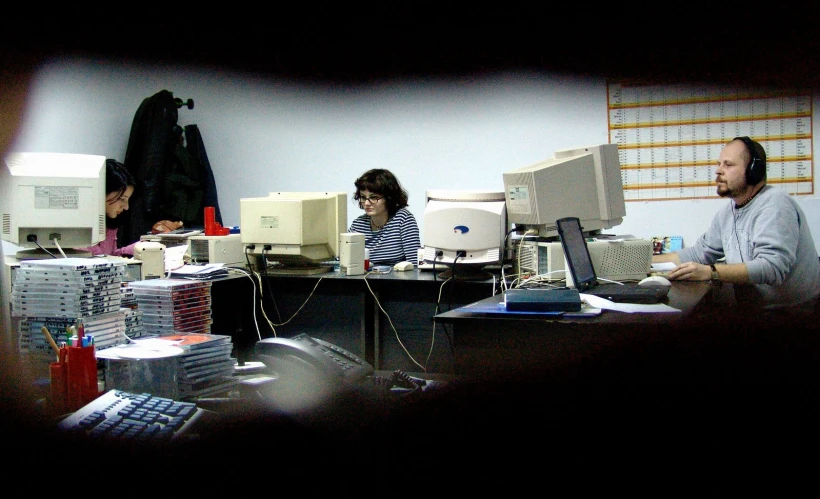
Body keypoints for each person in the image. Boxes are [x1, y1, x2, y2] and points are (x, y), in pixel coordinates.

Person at [653, 136, 820, 315]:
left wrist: (711, 272)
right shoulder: (728, 213)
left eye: (728, 165)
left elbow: (772, 268)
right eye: (719, 164)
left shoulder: (776, 205)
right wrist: (643, 262)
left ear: (753, 171)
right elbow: (698, 253)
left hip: (793, 316)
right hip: (755, 311)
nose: (718, 170)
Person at [348, 168, 421, 265]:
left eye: (374, 198)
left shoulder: (403, 219)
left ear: (388, 198)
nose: (366, 203)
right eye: (363, 197)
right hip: (364, 279)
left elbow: (415, 264)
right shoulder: (358, 224)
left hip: (397, 279)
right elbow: (344, 259)